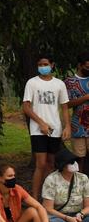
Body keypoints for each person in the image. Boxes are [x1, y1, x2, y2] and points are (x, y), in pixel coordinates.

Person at [23, 54, 71, 200]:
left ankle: (48, 197)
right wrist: (41, 123)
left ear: (52, 65)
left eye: (45, 64)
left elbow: (64, 107)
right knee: (41, 163)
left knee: (51, 163)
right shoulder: (32, 83)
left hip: (55, 129)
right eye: (40, 64)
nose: (42, 67)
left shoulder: (59, 84)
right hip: (38, 130)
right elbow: (26, 107)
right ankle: (34, 197)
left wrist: (67, 126)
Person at [42, 148, 89, 222]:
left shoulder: (83, 178)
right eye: (71, 162)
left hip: (80, 217)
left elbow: (88, 206)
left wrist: (80, 215)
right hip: (59, 217)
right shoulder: (51, 180)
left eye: (75, 161)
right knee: (49, 221)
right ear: (62, 166)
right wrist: (68, 219)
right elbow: (48, 209)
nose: (75, 164)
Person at [65, 52, 89, 174]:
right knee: (80, 158)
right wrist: (85, 98)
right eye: (87, 67)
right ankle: (80, 186)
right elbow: (67, 104)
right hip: (78, 126)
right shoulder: (70, 82)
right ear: (79, 65)